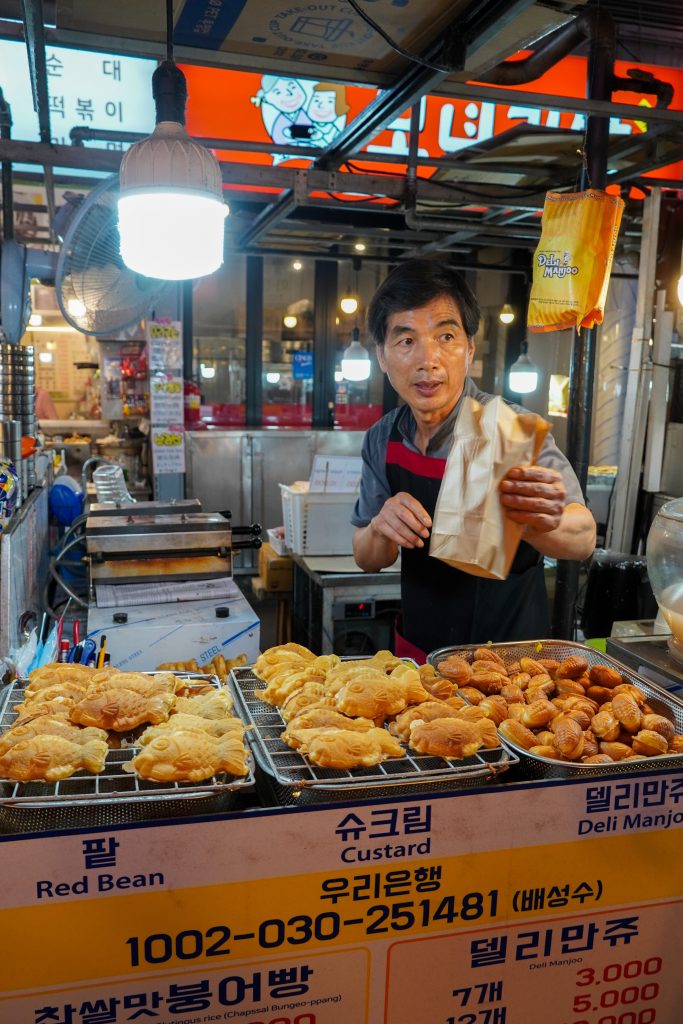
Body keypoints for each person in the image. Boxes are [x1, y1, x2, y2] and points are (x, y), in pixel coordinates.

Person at [351, 259, 596, 660]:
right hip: (422, 660)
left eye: (445, 336)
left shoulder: (508, 429)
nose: (427, 360)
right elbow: (365, 557)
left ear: (468, 350)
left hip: (512, 669)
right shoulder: (384, 438)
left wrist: (535, 519)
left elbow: (583, 537)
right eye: (406, 340)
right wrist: (381, 527)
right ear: (382, 354)